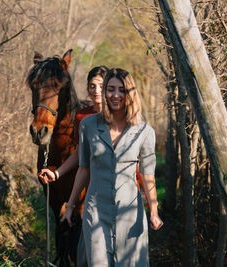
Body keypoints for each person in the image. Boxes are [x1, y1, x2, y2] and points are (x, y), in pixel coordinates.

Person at [61, 68, 163, 266]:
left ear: (130, 93)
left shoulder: (144, 131)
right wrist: (70, 207)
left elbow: (147, 174)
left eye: (121, 90)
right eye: (110, 89)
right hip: (96, 210)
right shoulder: (88, 125)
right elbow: (83, 169)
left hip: (130, 210)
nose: (115, 95)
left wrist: (154, 211)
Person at [38, 65, 109, 184]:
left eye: (101, 86)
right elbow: (80, 152)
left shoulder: (119, 116)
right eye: (92, 86)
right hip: (92, 184)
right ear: (87, 88)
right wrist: (56, 174)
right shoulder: (81, 116)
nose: (96, 91)